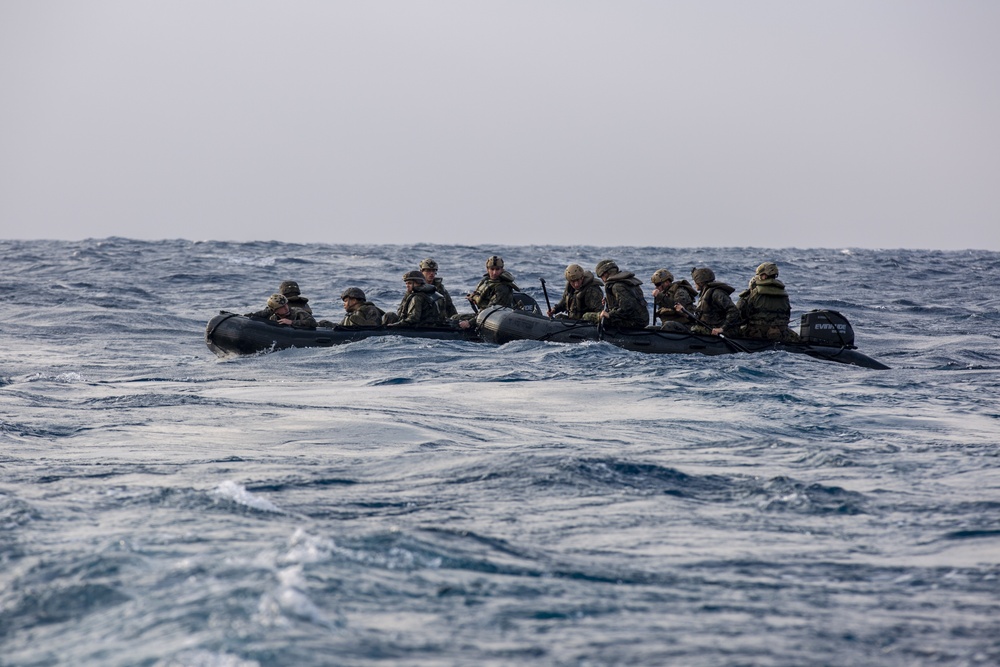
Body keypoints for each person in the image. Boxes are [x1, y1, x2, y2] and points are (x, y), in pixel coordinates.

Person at [730, 262, 800, 341]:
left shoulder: (752, 293)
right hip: (781, 333)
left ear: (764, 276)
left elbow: (737, 315)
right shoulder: (783, 294)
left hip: (756, 335)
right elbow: (787, 315)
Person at [676, 267, 738, 335]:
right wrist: (684, 312)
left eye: (695, 281)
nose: (694, 284)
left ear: (700, 282)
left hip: (717, 331)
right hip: (707, 328)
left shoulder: (717, 293)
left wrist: (721, 329)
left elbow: (734, 311)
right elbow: (699, 319)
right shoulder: (704, 294)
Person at [592, 259, 649, 328]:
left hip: (634, 322)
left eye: (601, 277)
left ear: (605, 274)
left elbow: (627, 308)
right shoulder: (625, 281)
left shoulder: (617, 286)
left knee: (590, 317)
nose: (602, 280)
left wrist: (610, 315)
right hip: (641, 319)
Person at [245, 293, 317, 328]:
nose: (286, 308)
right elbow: (257, 316)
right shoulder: (273, 317)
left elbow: (313, 323)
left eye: (286, 304)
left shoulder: (297, 312)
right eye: (281, 307)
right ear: (275, 310)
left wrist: (291, 322)